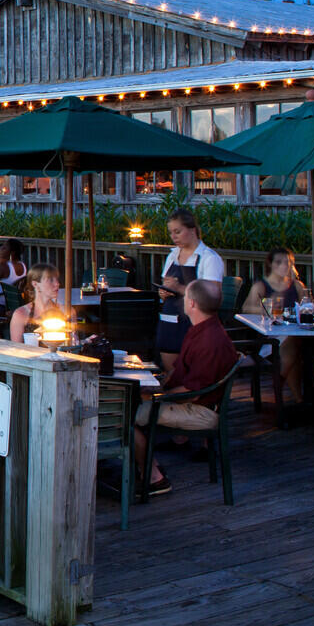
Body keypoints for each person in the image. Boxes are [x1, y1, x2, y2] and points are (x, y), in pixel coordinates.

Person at [131, 279, 237, 497]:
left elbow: (194, 392)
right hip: (189, 398)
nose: (184, 301)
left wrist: (159, 397)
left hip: (202, 410)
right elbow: (179, 369)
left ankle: (154, 478)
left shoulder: (210, 340)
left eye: (186, 297)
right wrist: (155, 386)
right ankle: (147, 465)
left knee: (126, 417)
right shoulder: (199, 329)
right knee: (133, 400)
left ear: (193, 304)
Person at [154, 208, 225, 374]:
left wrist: (178, 288)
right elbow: (166, 284)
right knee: (170, 372)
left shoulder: (209, 258)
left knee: (192, 373)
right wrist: (163, 292)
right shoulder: (172, 256)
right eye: (171, 232)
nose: (173, 237)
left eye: (178, 231)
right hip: (169, 318)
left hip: (195, 323)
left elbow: (212, 296)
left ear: (192, 229)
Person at [243, 247, 311, 402]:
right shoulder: (262, 286)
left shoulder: (297, 285)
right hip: (269, 336)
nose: (284, 266)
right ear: (271, 265)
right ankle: (283, 387)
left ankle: (298, 399)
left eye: (287, 263)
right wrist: (266, 309)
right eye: (279, 262)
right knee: (294, 345)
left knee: (298, 345)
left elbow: (307, 308)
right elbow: (246, 308)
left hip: (295, 332)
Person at [9, 264, 65, 344]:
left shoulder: (65, 311)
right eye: (50, 280)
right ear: (35, 284)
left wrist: (84, 341)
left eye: (57, 279)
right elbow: (16, 348)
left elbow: (72, 344)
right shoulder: (21, 314)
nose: (57, 284)